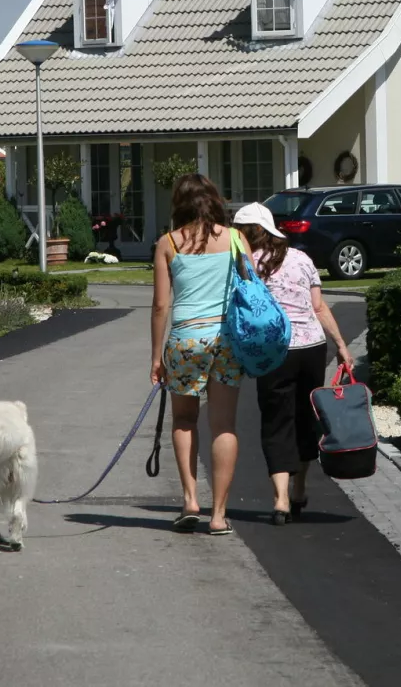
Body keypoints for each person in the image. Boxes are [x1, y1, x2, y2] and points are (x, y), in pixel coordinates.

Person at [232, 202, 355, 525]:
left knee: (276, 420)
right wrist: (341, 345)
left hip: (275, 350)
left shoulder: (247, 265)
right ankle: (300, 489)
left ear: (250, 233)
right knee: (305, 418)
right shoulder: (302, 259)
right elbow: (318, 307)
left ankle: (281, 499)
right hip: (312, 347)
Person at [151, 174, 248, 536]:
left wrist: (156, 357)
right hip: (225, 340)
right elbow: (252, 287)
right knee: (223, 425)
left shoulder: (168, 243)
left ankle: (190, 498)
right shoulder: (236, 239)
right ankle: (219, 514)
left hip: (184, 342)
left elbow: (161, 305)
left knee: (183, 420)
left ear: (179, 203)